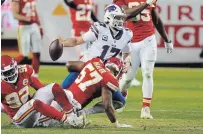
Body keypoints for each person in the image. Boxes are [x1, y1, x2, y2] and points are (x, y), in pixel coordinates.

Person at [113, 0, 174, 119]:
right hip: (130, 41)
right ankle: (122, 95)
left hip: (148, 40)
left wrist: (167, 39)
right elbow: (127, 14)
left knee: (147, 73)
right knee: (127, 79)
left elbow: (155, 19)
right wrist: (146, 3)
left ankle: (146, 108)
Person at [1, 55, 86, 128]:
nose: (10, 75)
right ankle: (67, 121)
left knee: (54, 87)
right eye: (6, 73)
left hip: (32, 110)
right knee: (35, 103)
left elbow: (41, 89)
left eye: (11, 71)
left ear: (16, 67)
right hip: (19, 119)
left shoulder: (25, 71)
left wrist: (63, 96)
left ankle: (71, 116)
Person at [64, 57, 133, 128]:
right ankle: (78, 114)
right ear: (117, 72)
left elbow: (69, 65)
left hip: (62, 97)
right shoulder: (110, 80)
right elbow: (107, 106)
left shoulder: (95, 61)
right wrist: (116, 124)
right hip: (70, 108)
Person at [11, 0, 42, 78]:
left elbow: (35, 12)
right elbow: (15, 15)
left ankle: (35, 76)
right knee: (24, 55)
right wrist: (28, 19)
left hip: (34, 26)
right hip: (24, 27)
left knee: (37, 53)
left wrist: (39, 25)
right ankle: (5, 69)